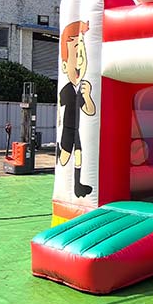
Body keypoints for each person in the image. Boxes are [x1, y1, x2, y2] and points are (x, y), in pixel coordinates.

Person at [57, 20, 96, 197]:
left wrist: (87, 97)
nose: (80, 61)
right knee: (65, 155)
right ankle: (63, 171)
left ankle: (78, 184)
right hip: (68, 127)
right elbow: (60, 111)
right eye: (75, 54)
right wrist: (59, 124)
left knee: (79, 153)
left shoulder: (82, 89)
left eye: (82, 54)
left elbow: (90, 111)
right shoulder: (66, 90)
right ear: (65, 66)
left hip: (79, 128)